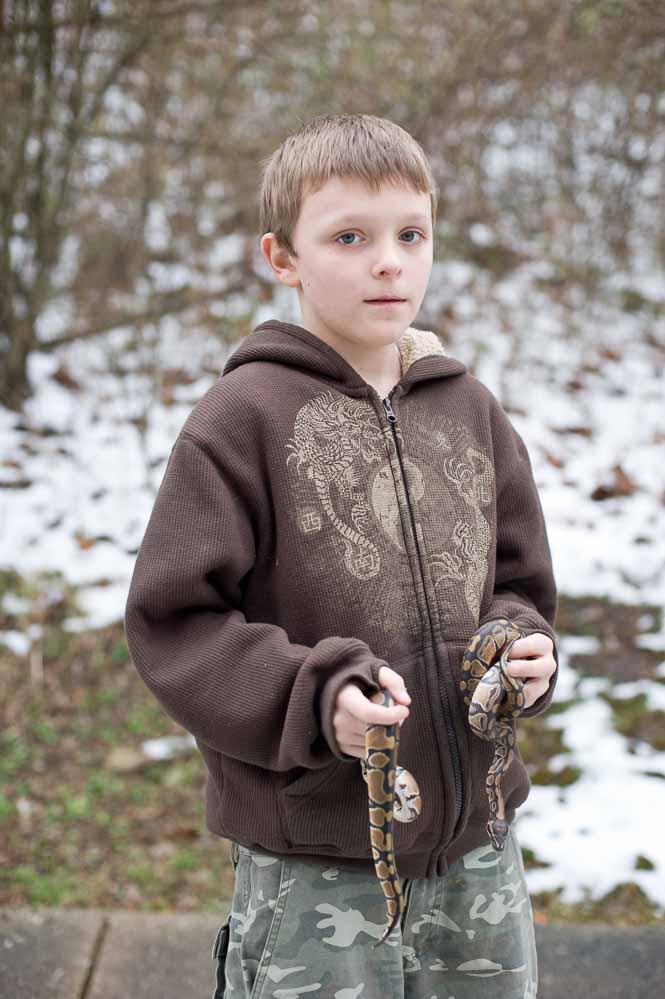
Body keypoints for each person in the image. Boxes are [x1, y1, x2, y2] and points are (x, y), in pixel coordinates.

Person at [124, 113, 557, 999]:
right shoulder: (240, 420)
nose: (388, 261)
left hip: (479, 843)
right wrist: (316, 699)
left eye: (410, 234)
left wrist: (520, 645)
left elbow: (515, 581)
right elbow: (179, 621)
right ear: (281, 256)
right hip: (316, 857)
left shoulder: (470, 409)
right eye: (349, 237)